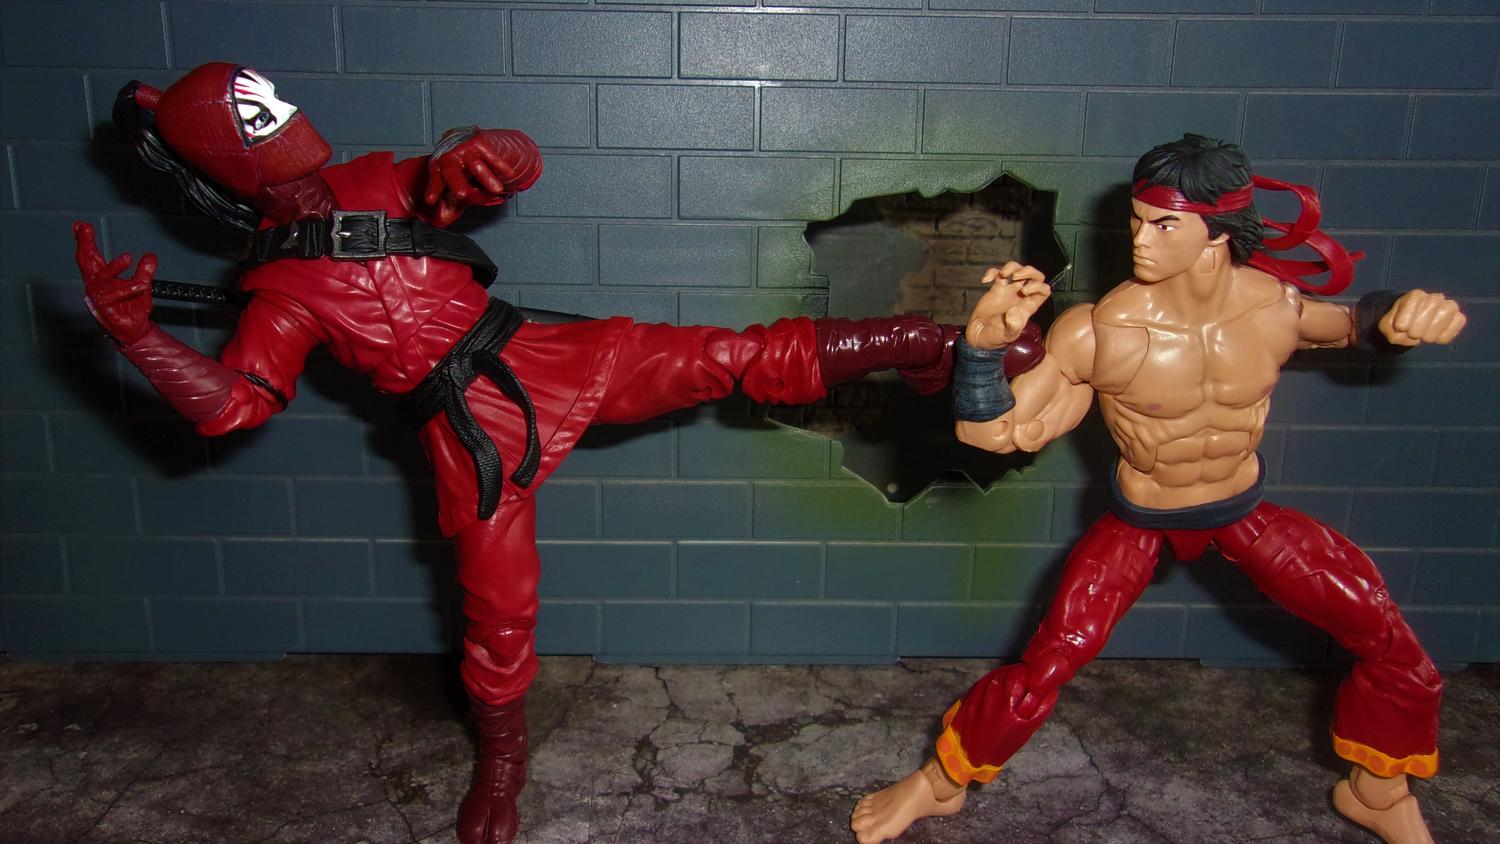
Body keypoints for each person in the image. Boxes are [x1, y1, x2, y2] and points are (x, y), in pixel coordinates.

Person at [75, 62, 959, 844]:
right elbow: (234, 407)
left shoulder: (375, 179)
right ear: (226, 158)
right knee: (498, 609)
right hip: (466, 428)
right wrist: (139, 338)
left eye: (270, 99)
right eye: (256, 116)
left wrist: (489, 149)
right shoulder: (277, 291)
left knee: (730, 356)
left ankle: (923, 343)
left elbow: (499, 168)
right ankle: (502, 758)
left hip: (537, 349)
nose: (283, 114)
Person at [850, 134, 1465, 844]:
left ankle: (1377, 792)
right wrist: (982, 353)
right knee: (1049, 660)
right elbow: (995, 436)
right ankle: (939, 786)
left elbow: (1356, 325)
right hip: (1141, 521)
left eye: (1164, 224)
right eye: (1137, 221)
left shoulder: (1274, 307)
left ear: (1217, 233)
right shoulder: (1100, 332)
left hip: (1240, 510)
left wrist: (1402, 315)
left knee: (1388, 639)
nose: (1140, 240)